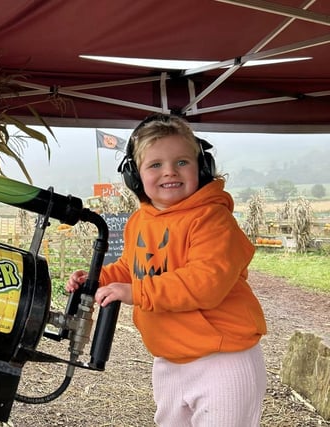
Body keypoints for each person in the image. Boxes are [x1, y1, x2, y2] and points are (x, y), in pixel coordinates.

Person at [66, 113, 267, 426]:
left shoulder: (213, 220)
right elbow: (131, 268)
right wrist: (97, 280)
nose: (170, 172)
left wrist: (135, 293)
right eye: (155, 164)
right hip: (168, 360)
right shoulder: (140, 221)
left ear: (202, 168)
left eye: (182, 162)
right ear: (135, 175)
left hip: (223, 358)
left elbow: (204, 283)